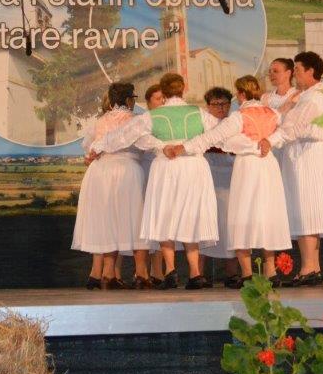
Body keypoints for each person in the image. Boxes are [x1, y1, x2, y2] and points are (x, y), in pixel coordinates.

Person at [90, 73, 219, 290]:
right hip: (194, 167)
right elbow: (221, 133)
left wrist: (97, 147)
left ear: (164, 91)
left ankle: (170, 270)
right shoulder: (199, 113)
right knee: (191, 215)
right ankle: (195, 273)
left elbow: (124, 136)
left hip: (166, 166)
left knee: (165, 215)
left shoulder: (152, 116)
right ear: (183, 88)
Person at [167, 75, 292, 285]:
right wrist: (267, 142)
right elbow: (287, 131)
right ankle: (271, 272)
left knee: (242, 214)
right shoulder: (273, 113)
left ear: (241, 94)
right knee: (268, 214)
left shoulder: (239, 116)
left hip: (248, 167)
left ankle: (246, 274)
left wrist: (184, 147)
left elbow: (212, 136)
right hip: (268, 166)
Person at [258, 52, 323, 286]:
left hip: (308, 157)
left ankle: (309, 268)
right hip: (311, 154)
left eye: (298, 69)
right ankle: (313, 267)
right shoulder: (316, 93)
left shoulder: (312, 98)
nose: (296, 73)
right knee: (309, 210)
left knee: (306, 209)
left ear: (311, 71)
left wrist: (271, 140)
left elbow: (293, 126)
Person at [73, 83, 151, 290]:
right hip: (126, 169)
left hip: (100, 171)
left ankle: (107, 273)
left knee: (108, 220)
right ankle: (141, 273)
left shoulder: (99, 122)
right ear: (128, 100)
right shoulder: (136, 121)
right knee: (136, 219)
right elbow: (146, 145)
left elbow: (88, 148)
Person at [198, 87, 238, 287]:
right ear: (208, 106)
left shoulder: (235, 123)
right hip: (208, 176)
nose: (221, 108)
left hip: (230, 178)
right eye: (216, 104)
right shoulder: (202, 125)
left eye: (225, 104)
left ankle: (232, 273)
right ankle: (198, 274)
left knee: (229, 224)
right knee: (204, 224)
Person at [141, 83, 166, 286]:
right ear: (148, 103)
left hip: (163, 175)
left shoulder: (168, 121)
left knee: (160, 220)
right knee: (145, 222)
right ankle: (142, 271)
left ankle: (158, 271)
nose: (162, 102)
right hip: (145, 174)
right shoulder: (143, 122)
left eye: (164, 98)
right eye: (158, 99)